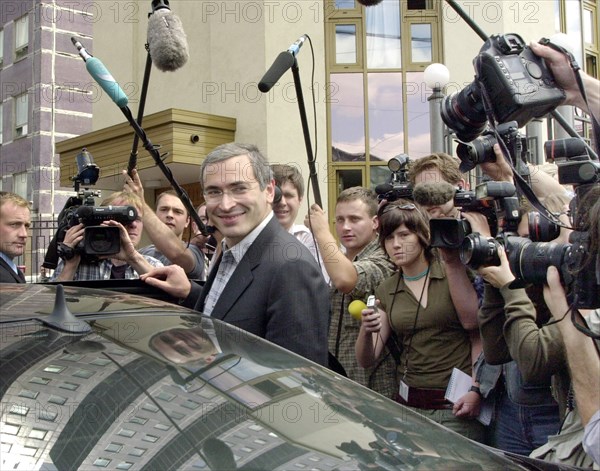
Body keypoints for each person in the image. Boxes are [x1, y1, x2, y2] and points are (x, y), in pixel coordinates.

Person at [140, 143, 329, 366]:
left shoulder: (292, 268)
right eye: (214, 192)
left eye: (239, 188)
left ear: (269, 191)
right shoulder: (233, 247)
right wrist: (191, 292)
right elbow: (231, 310)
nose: (226, 204)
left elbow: (298, 378)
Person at [356, 200, 485, 442]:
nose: (396, 244)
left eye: (404, 235)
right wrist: (365, 330)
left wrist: (477, 389)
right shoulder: (386, 289)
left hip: (454, 404)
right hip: (410, 406)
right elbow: (367, 358)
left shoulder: (451, 272)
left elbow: (476, 333)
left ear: (423, 236)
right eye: (389, 237)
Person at [305, 187, 397, 398]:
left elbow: (346, 280)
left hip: (374, 389)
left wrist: (321, 232)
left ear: (375, 223)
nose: (345, 227)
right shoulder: (338, 257)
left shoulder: (385, 257)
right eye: (339, 220)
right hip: (337, 385)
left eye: (355, 219)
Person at [51, 191, 163, 281]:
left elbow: (170, 299)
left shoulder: (152, 264)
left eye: (137, 219)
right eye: (123, 218)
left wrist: (133, 258)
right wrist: (70, 264)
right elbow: (52, 303)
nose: (133, 224)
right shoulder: (80, 263)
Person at [124, 179, 207, 281]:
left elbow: (177, 254)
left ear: (187, 221)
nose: (169, 215)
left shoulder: (194, 252)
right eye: (164, 209)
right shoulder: (143, 253)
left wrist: (142, 205)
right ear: (155, 214)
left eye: (177, 211)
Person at [271, 164, 329, 283]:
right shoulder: (245, 238)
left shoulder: (310, 240)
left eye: (288, 195)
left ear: (300, 199)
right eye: (276, 195)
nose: (282, 202)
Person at [0, 192, 31, 283]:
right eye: (14, 224)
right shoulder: (3, 280)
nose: (24, 234)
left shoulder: (9, 268)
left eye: (26, 226)